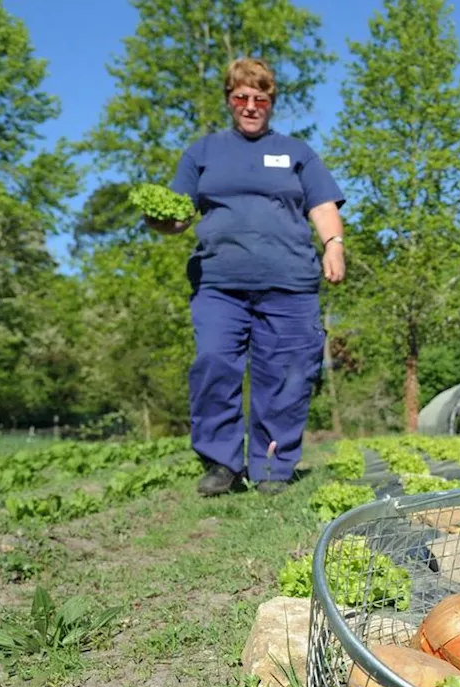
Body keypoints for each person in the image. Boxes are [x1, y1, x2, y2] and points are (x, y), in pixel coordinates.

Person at [148, 57, 346, 497]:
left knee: (289, 372)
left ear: (271, 102)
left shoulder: (297, 152)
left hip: (290, 283)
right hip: (219, 283)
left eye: (260, 98)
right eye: (242, 97)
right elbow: (178, 216)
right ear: (229, 100)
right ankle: (222, 463)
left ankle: (273, 466)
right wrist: (160, 218)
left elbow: (322, 205)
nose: (251, 105)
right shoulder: (203, 152)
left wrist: (334, 245)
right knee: (215, 363)